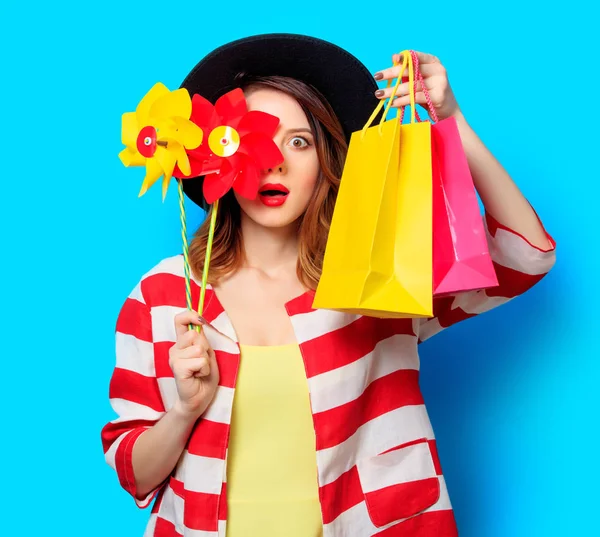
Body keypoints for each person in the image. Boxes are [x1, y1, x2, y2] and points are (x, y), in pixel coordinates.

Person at [101, 34, 556, 537]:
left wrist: (450, 121)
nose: (274, 161)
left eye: (300, 142)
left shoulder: (377, 274)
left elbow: (526, 255)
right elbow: (134, 471)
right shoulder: (162, 295)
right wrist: (185, 411)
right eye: (251, 139)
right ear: (218, 158)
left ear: (328, 163)